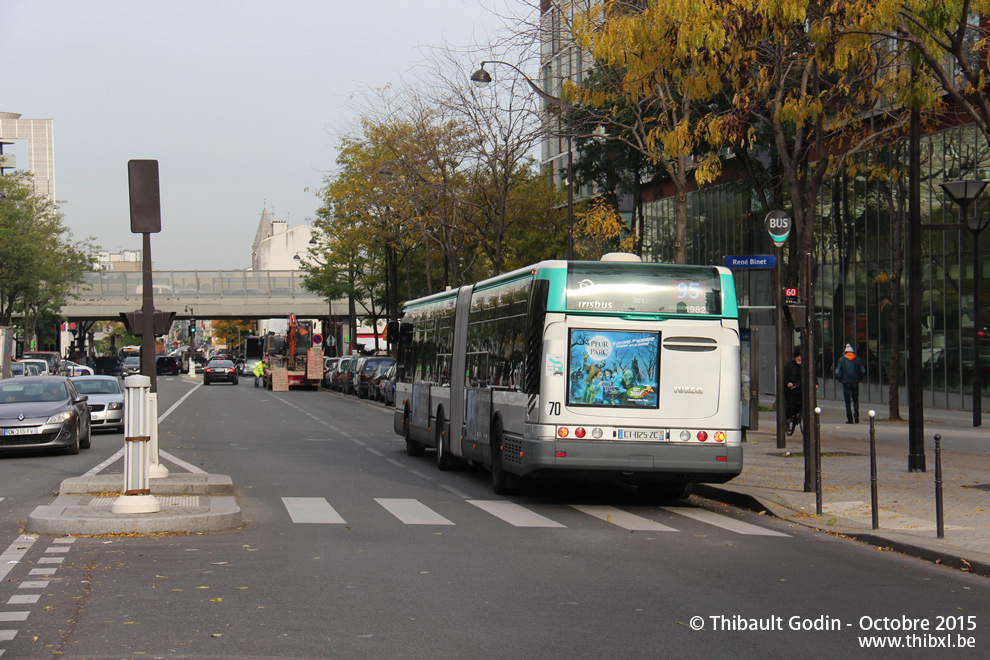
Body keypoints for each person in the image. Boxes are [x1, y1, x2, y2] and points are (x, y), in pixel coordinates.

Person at [835, 343, 866, 423]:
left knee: (847, 401)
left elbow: (837, 372)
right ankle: (856, 415)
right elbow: (863, 370)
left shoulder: (842, 360)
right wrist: (859, 377)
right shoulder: (857, 360)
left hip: (846, 382)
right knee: (855, 399)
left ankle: (850, 418)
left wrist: (841, 379)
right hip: (855, 382)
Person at [783, 348, 803, 434]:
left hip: (801, 389)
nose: (799, 358)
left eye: (800, 356)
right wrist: (788, 383)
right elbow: (784, 377)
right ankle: (788, 421)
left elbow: (812, 376)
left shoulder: (805, 366)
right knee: (791, 405)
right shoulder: (788, 366)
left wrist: (815, 384)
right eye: (798, 356)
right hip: (791, 390)